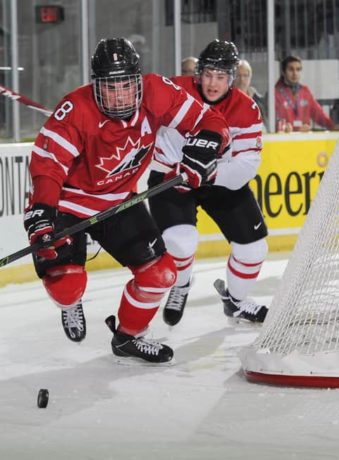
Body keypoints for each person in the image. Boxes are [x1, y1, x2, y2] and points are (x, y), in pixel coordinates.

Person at [24, 37, 229, 364]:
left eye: (126, 85)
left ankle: (128, 336)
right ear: (95, 86)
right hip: (68, 201)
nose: (120, 96)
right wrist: (42, 212)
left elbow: (210, 121)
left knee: (161, 274)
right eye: (110, 87)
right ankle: (69, 302)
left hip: (119, 200)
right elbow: (47, 167)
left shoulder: (156, 92)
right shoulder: (75, 110)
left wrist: (206, 145)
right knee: (67, 284)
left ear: (138, 80)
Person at [147, 39, 268, 327]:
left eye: (221, 77)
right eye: (208, 75)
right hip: (171, 177)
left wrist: (210, 173)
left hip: (219, 182)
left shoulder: (246, 109)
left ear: (232, 78)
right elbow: (138, 113)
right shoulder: (174, 90)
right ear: (199, 73)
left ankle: (236, 302)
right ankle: (182, 284)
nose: (213, 83)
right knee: (180, 242)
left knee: (254, 249)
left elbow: (248, 163)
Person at [275, 55, 336, 132]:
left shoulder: (305, 91)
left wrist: (333, 126)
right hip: (283, 139)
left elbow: (319, 114)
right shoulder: (275, 93)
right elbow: (269, 121)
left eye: (298, 70)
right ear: (283, 72)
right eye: (291, 69)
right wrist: (281, 128)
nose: (295, 73)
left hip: (304, 137)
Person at [234, 59, 268, 130]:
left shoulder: (258, 101)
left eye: (245, 75)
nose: (242, 79)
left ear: (250, 77)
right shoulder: (225, 100)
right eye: (238, 75)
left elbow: (265, 125)